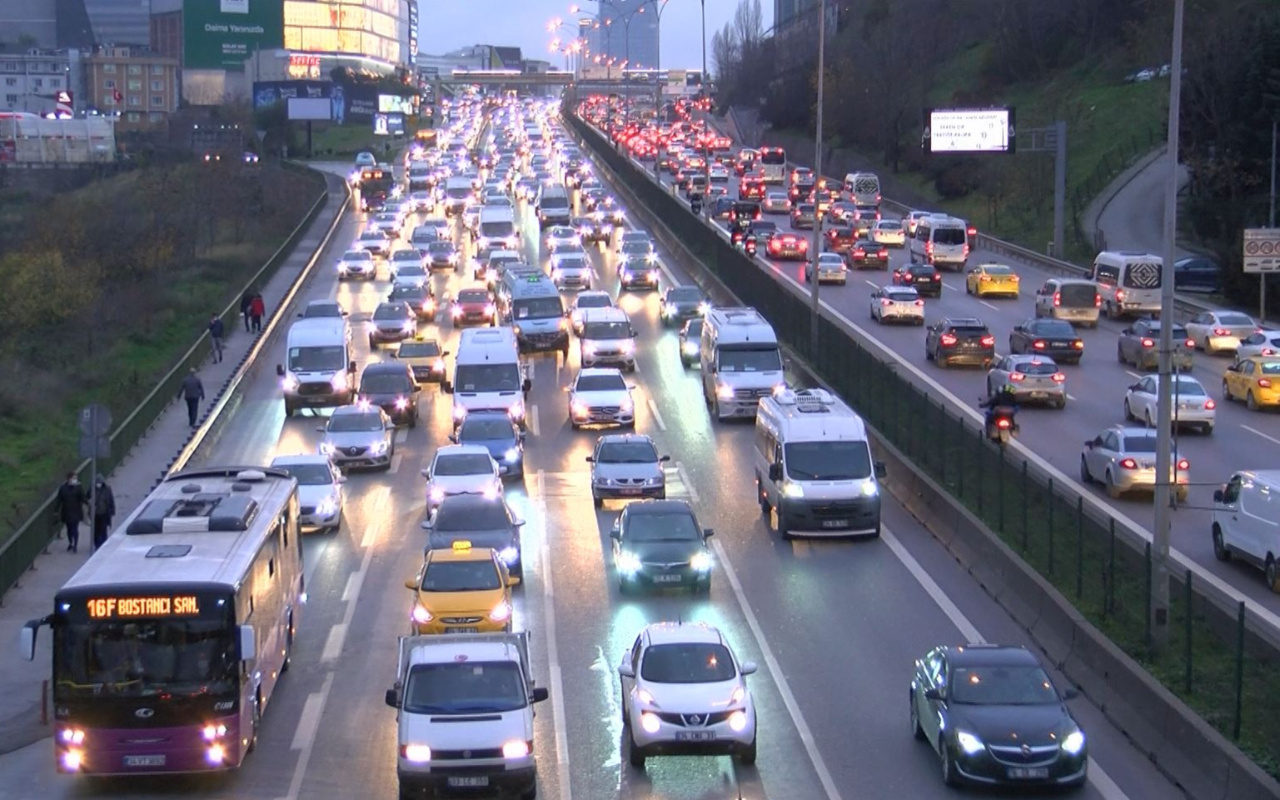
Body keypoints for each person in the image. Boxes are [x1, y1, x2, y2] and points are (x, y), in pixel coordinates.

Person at [54, 472, 88, 553]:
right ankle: (71, 542)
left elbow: (83, 497)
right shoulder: (63, 489)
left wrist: (87, 502)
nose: (75, 480)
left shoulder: (78, 488)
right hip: (66, 511)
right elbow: (59, 500)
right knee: (69, 529)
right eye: (73, 478)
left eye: (75, 478)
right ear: (69, 479)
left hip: (76, 511)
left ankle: (75, 544)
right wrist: (56, 510)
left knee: (75, 528)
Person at [92, 475, 116, 551]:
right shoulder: (92, 489)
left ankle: (103, 544)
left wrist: (112, 510)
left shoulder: (107, 489)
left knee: (103, 530)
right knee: (96, 530)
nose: (98, 484)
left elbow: (111, 500)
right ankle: (97, 544)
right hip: (95, 514)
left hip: (104, 514)